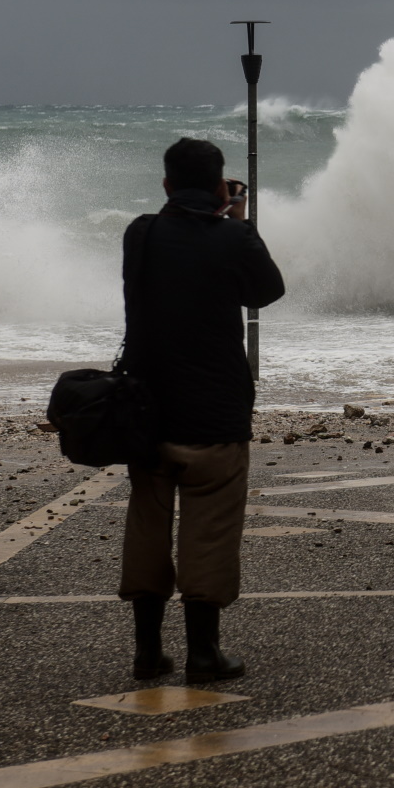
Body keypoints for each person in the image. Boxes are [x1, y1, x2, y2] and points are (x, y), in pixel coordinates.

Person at [119, 137, 285, 682]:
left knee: (147, 522)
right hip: (214, 412)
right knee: (208, 531)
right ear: (219, 187)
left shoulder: (140, 234)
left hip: (147, 411)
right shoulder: (233, 237)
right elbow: (266, 291)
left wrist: (216, 213)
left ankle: (147, 652)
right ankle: (203, 653)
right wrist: (236, 216)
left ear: (166, 184)